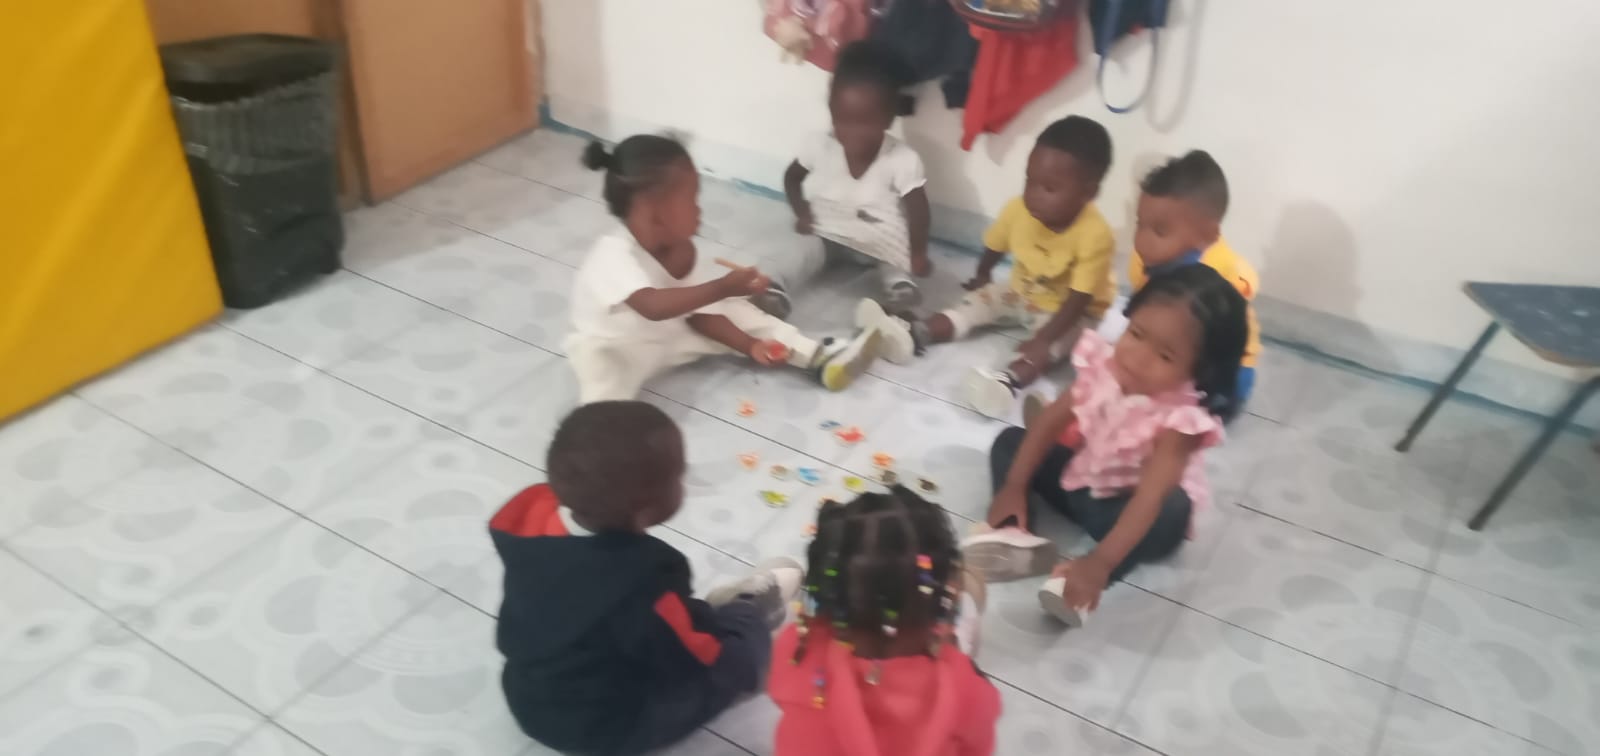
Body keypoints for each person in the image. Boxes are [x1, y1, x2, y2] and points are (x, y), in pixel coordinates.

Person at [491, 401, 806, 755]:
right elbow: (692, 658)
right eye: (679, 476)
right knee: (727, 662)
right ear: (645, 510)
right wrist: (738, 646)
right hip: (607, 728)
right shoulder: (641, 578)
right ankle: (746, 608)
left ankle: (700, 614)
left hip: (527, 698)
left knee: (664, 620)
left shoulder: (536, 530)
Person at [960, 265, 1249, 627]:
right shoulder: (1104, 365)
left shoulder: (1179, 421)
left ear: (1199, 372)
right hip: (1083, 482)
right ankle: (1013, 532)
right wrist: (1015, 484)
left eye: (1165, 356)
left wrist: (1101, 562)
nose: (1138, 357)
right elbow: (1050, 422)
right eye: (1136, 334)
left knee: (1172, 507)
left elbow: (1149, 500)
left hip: (1127, 513)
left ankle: (1081, 584)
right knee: (1010, 441)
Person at [566, 134, 885, 404]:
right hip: (617, 347)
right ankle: (596, 428)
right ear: (654, 213)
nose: (699, 209)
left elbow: (700, 314)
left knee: (736, 310)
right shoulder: (614, 254)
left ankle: (816, 355)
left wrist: (749, 345)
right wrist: (721, 287)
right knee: (603, 375)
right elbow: (652, 307)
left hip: (669, 337)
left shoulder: (682, 250)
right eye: (691, 199)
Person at [871, 116, 1117, 417]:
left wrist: (1044, 339)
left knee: (1054, 347)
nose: (1033, 194)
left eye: (1049, 188)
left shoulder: (1095, 235)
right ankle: (918, 332)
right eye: (1029, 180)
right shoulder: (1019, 209)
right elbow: (996, 243)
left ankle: (1007, 381)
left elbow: (1079, 298)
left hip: (1072, 312)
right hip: (1021, 291)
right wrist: (983, 274)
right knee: (976, 303)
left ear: (1088, 193)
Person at [769, 487, 1000, 756]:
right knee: (968, 608)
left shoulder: (796, 650)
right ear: (942, 604)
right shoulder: (968, 691)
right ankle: (966, 615)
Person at [766, 40, 932, 350]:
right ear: (831, 112)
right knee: (803, 250)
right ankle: (774, 289)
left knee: (896, 258)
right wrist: (801, 211)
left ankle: (900, 291)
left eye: (865, 123)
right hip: (831, 235)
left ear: (888, 118)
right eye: (842, 121)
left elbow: (918, 210)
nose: (852, 133)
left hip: (878, 238)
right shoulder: (820, 145)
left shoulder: (902, 158)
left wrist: (919, 252)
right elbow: (792, 177)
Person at [1127, 150, 1262, 413]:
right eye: (1140, 224)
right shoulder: (1146, 261)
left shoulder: (1220, 280)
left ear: (1206, 235)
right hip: (1175, 349)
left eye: (1160, 231)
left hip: (1224, 360)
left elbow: (1217, 348)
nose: (1142, 241)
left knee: (1195, 411)